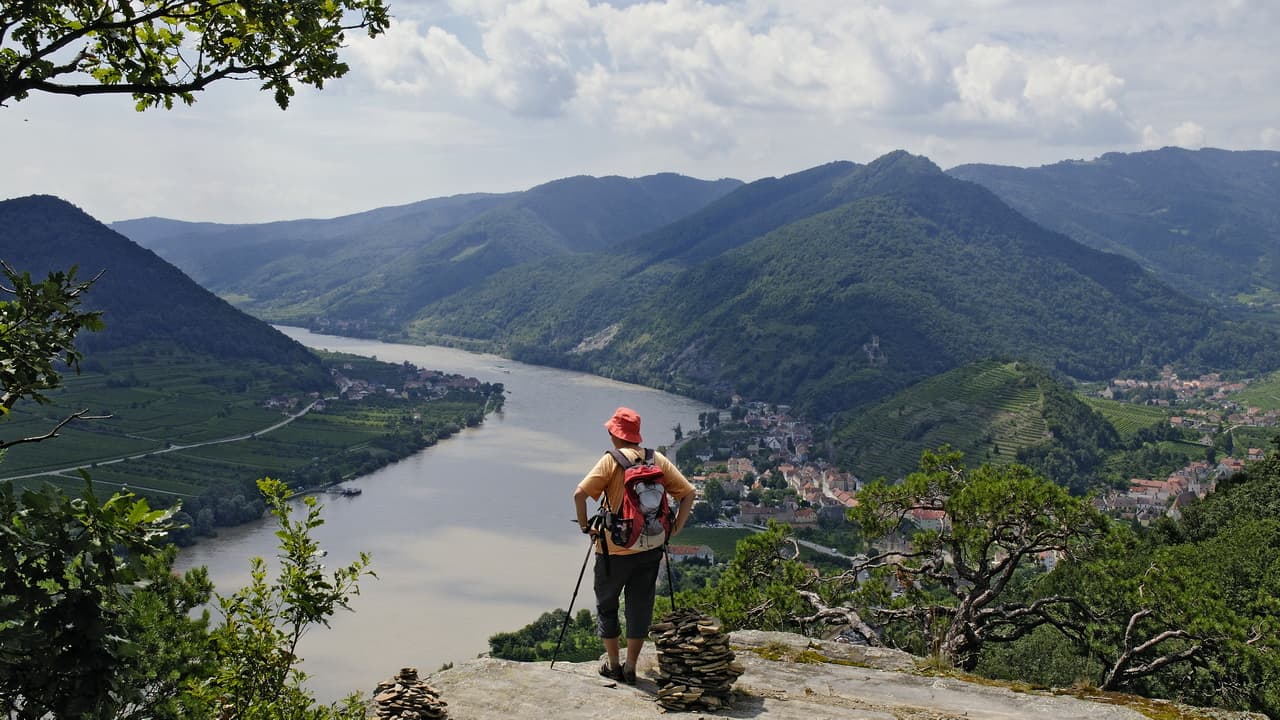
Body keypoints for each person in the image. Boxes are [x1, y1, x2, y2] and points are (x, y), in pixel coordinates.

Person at [573, 406, 695, 685]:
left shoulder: (610, 461)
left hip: (613, 551)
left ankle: (613, 665)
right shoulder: (657, 459)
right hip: (651, 548)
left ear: (615, 434)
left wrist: (585, 527)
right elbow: (688, 492)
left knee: (607, 605)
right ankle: (631, 667)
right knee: (640, 607)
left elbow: (579, 495)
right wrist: (675, 527)